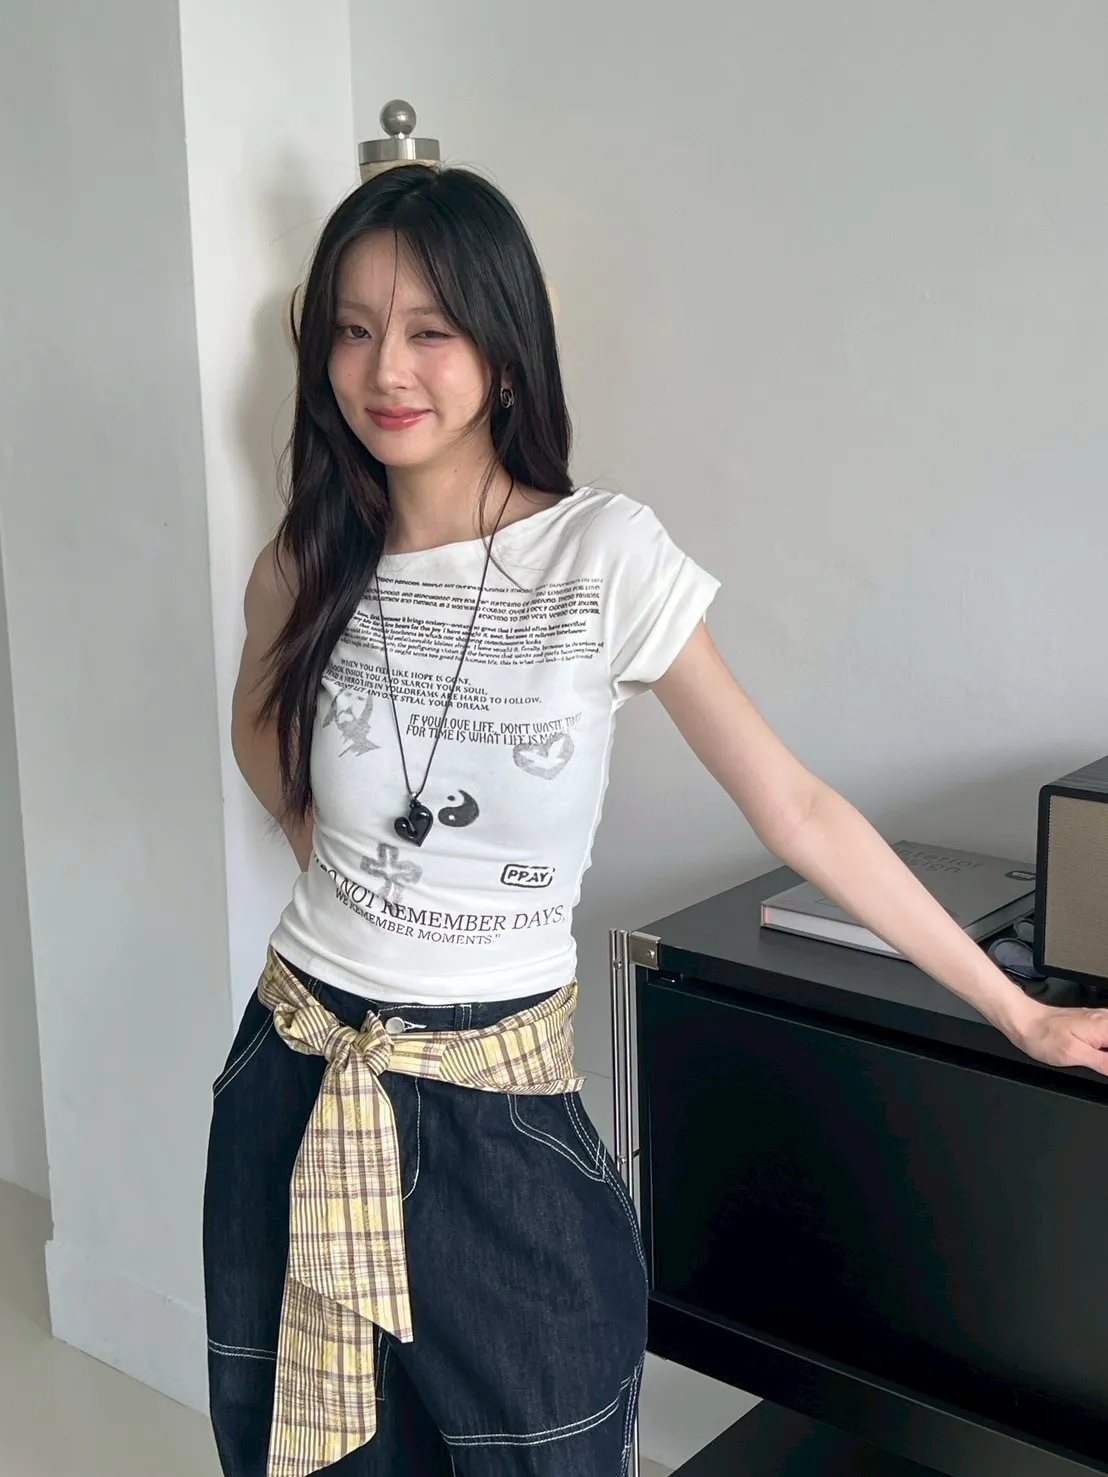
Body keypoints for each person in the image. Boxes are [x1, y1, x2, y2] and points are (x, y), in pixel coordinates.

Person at [204, 164, 1108, 1477]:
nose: (385, 369)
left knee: (553, 1449)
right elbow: (259, 730)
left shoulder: (604, 556)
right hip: (297, 1065)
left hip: (497, 1106)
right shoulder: (309, 558)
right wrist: (334, 864)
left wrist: (1017, 1011)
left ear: (503, 355)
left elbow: (796, 805)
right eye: (352, 329)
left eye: (429, 329)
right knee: (312, 1455)